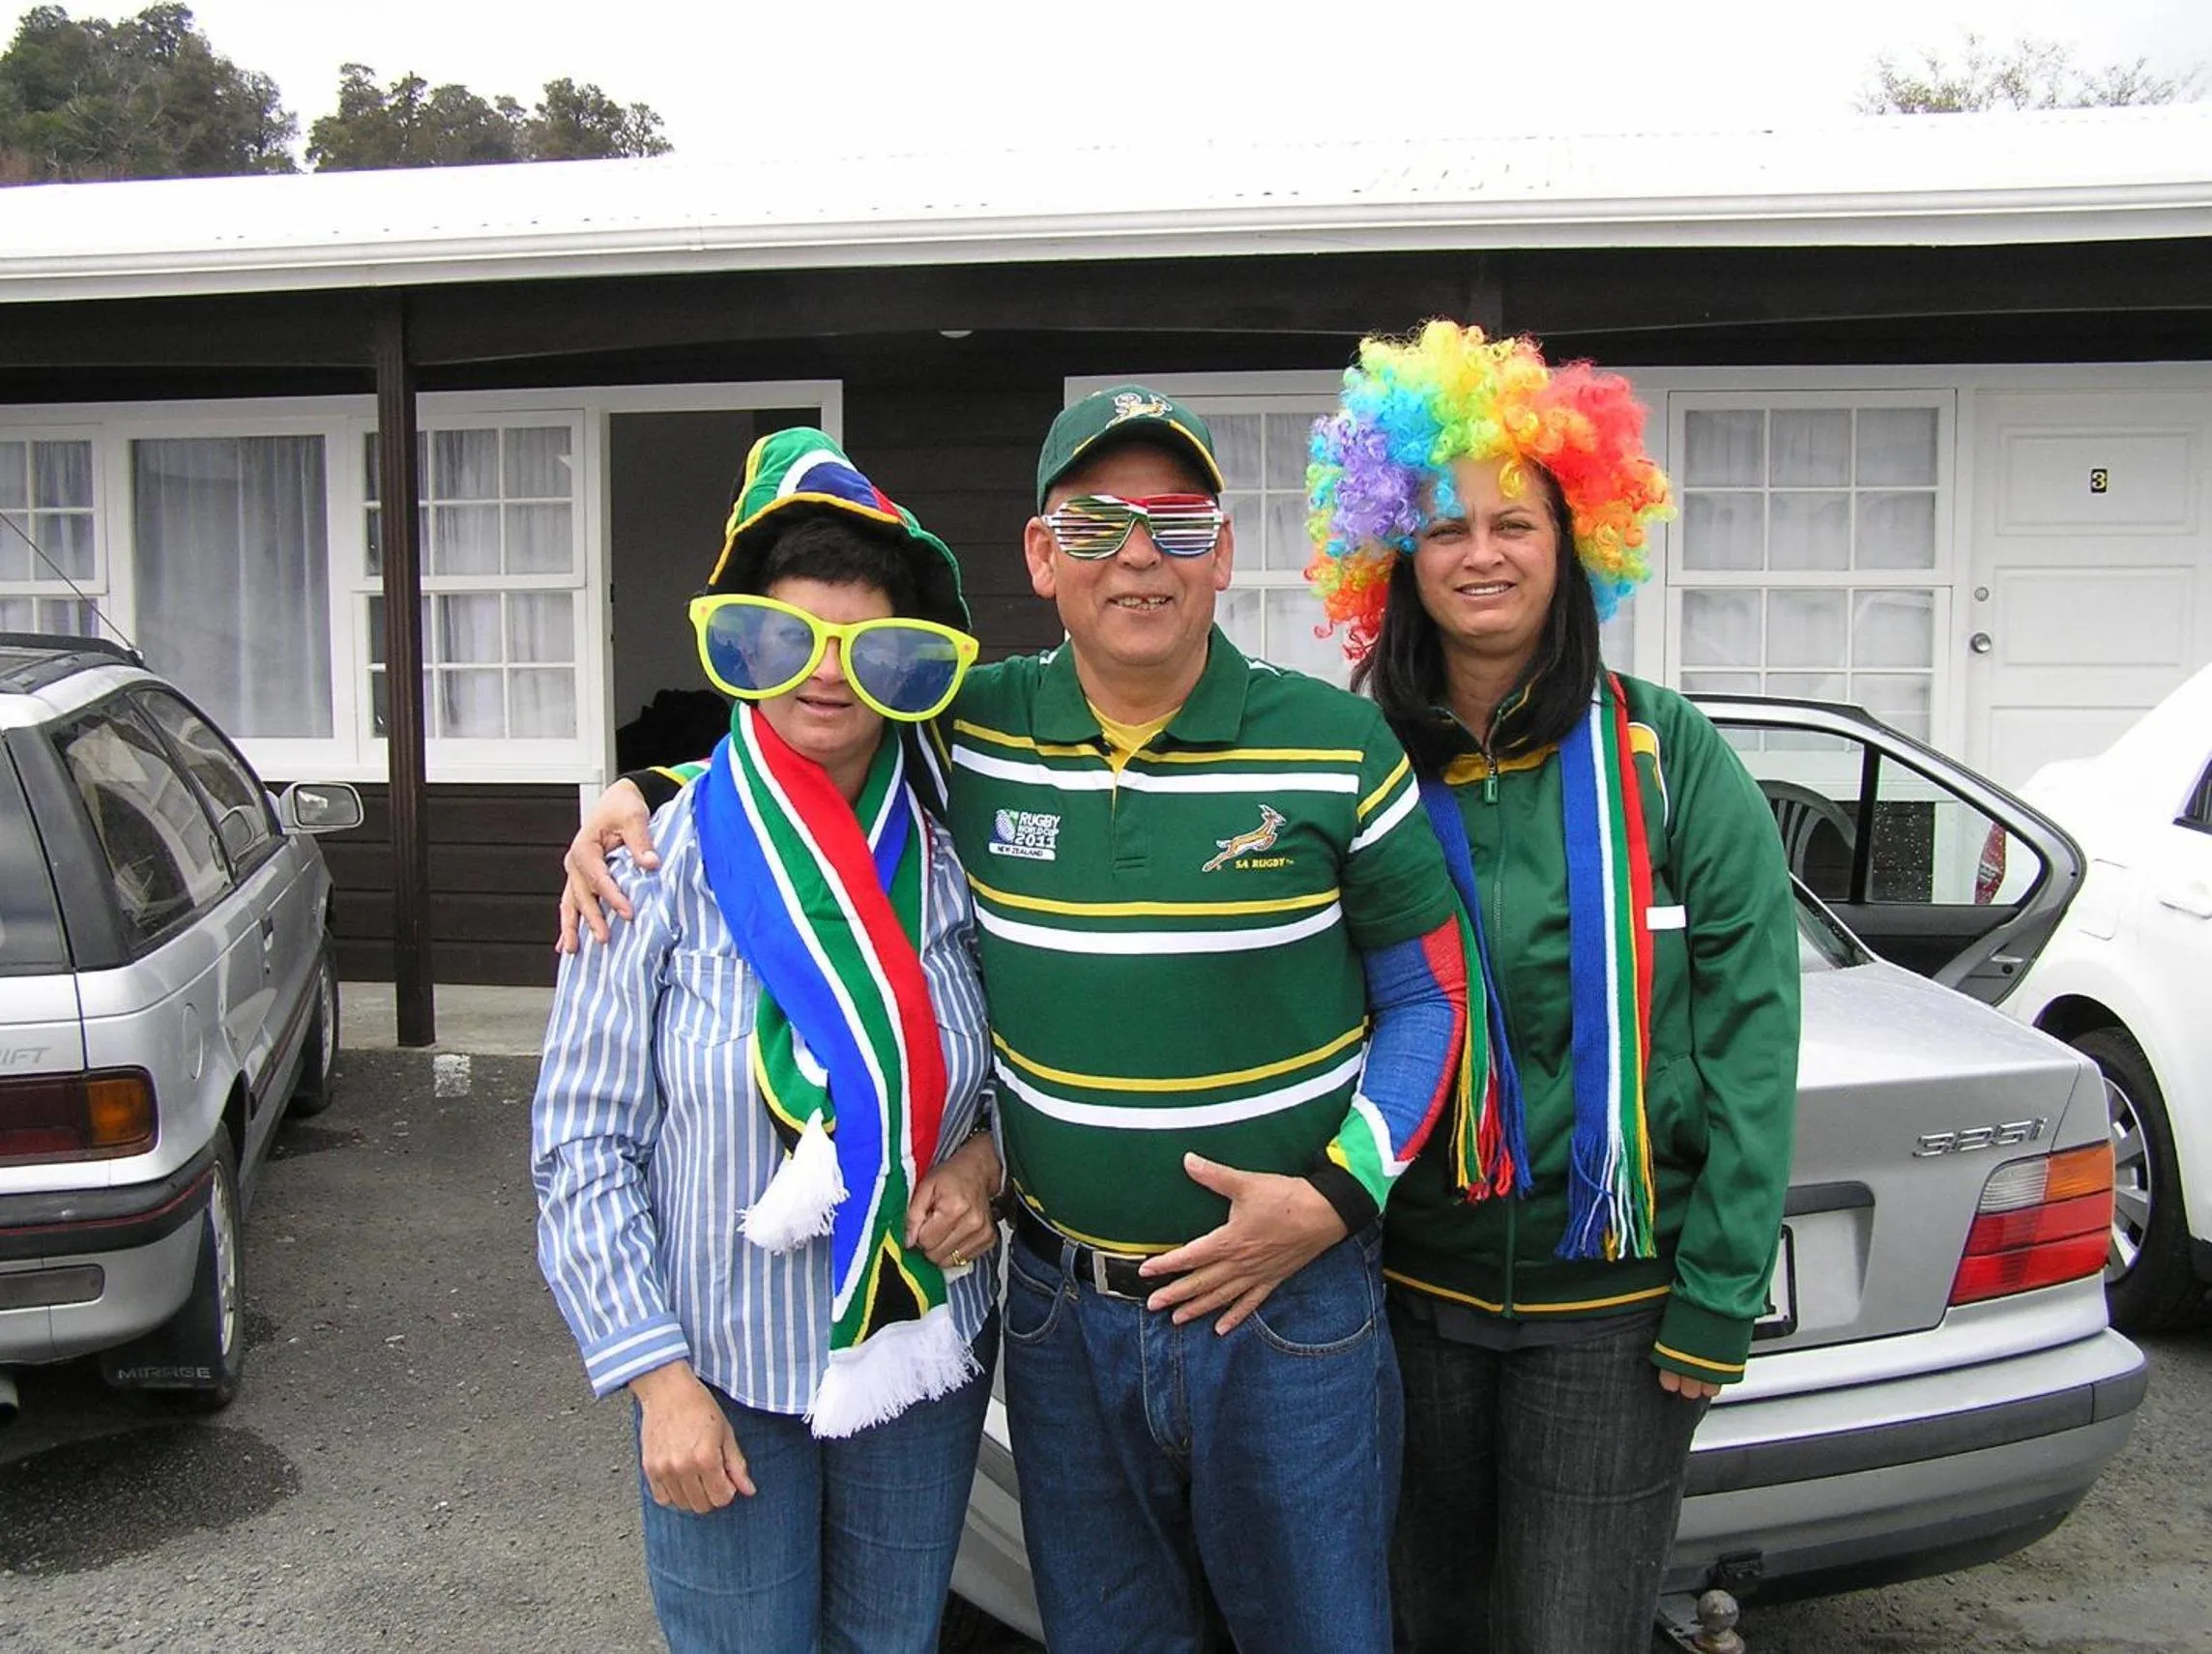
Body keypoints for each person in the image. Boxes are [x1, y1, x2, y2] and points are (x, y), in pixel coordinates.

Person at [560, 389, 1470, 1654]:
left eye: (1175, 518)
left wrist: (1334, 1193)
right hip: (1063, 1314)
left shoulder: (1337, 742)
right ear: (1040, 555)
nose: (1139, 551)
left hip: (1289, 1311)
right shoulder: (969, 730)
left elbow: (1435, 993)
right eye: (1095, 523)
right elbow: (805, 739)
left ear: (1225, 548)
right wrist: (636, 790)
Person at [1304, 321, 1802, 1654]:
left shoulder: (1670, 752)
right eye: (1446, 524)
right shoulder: (1353, 761)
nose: (1482, 550)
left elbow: (1757, 1020)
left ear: (1575, 537)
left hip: (1617, 1316)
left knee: (1572, 1630)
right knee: (1424, 1623)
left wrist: (1718, 1282)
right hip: (1405, 1295)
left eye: (1514, 520)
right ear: (1394, 556)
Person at [532, 430, 1004, 1654]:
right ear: (744, 644)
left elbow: (1021, 1066)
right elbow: (582, 1144)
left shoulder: (959, 845)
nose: (826, 677)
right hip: (721, 1378)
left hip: (916, 1358)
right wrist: (655, 1381)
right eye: (789, 640)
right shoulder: (651, 859)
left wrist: (983, 1170)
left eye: (868, 648)